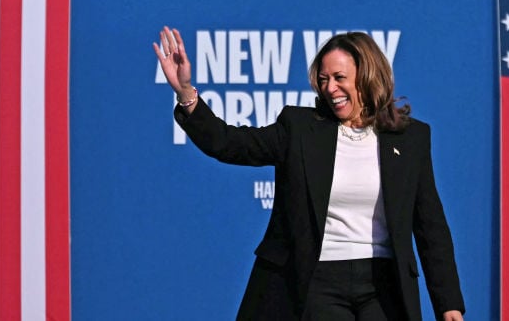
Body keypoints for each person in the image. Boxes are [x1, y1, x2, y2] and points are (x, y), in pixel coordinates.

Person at [153, 26, 466, 321]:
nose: (330, 88)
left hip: (384, 284)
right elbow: (230, 144)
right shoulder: (300, 128)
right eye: (324, 78)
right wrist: (186, 94)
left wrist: (448, 301)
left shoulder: (410, 139)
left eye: (340, 77)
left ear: (368, 75)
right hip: (318, 281)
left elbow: (430, 226)